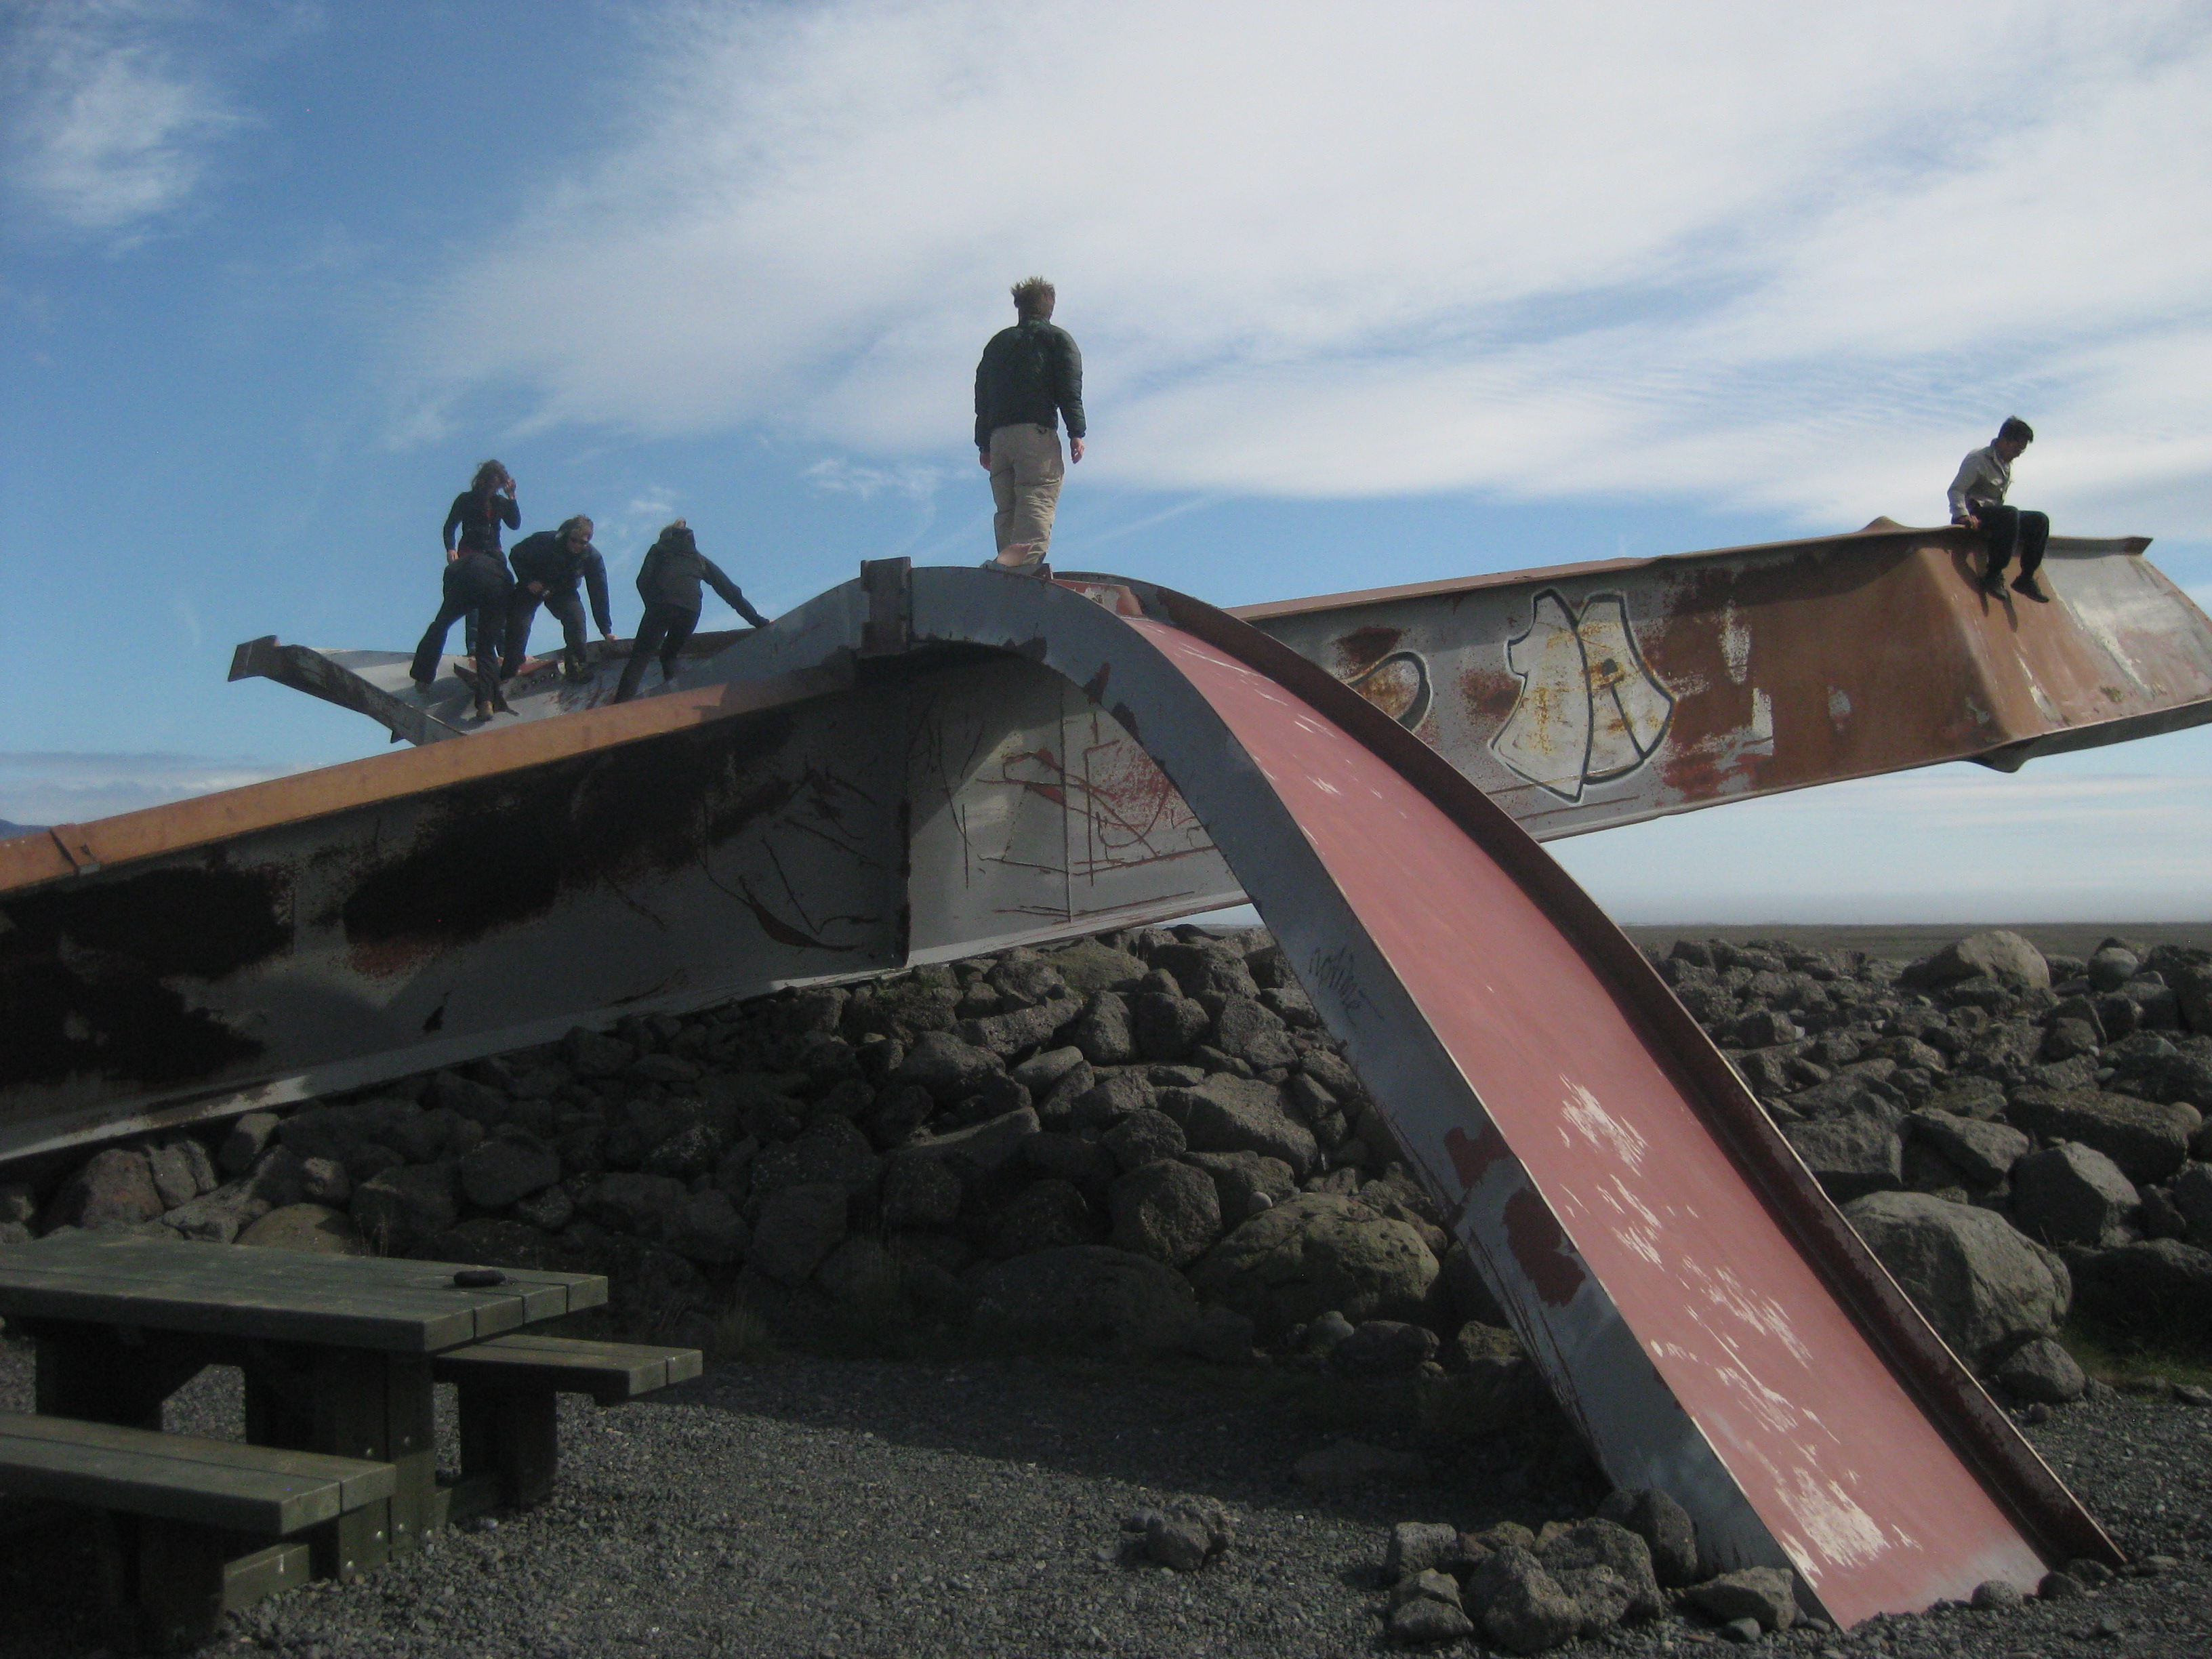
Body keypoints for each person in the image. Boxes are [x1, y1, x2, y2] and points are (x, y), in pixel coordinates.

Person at [973, 275, 1085, 575]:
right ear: (1050, 307)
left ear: (1018, 307)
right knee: (1036, 497)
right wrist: (1076, 432)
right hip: (1035, 433)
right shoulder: (1057, 340)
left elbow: (982, 395)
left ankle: (1005, 568)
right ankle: (1020, 569)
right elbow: (1069, 390)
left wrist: (984, 443)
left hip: (999, 437)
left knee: (1008, 509)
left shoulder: (998, 344)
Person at [611, 520, 770, 703]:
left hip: (661, 606)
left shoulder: (658, 550)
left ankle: (619, 707)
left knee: (641, 656)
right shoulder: (698, 559)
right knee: (670, 655)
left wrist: (653, 604)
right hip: (690, 611)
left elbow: (642, 581)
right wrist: (759, 621)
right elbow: (730, 592)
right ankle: (679, 703)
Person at [409, 540, 514, 720]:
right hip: (498, 589)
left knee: (440, 627)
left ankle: (423, 678)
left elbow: (448, 591)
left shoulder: (465, 562)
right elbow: (509, 611)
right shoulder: (505, 572)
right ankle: (486, 701)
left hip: (468, 582)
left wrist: (454, 608)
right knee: (486, 646)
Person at [1948, 417, 2050, 603]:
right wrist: (1962, 515)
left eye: (2021, 451)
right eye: (2017, 450)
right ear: (2004, 441)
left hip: (1998, 515)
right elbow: (1956, 490)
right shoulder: (1978, 459)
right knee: (2010, 514)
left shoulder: (2005, 463)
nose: (2018, 455)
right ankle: (1993, 575)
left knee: (2039, 521)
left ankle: (2026, 578)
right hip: (1975, 514)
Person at [502, 515, 613, 682]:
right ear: (567, 535)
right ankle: (509, 671)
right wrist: (528, 580)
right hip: (534, 583)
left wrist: (606, 630)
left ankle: (575, 667)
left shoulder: (592, 558)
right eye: (574, 540)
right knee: (519, 623)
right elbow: (516, 553)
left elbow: (599, 593)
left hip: (563, 590)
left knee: (576, 619)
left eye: (582, 542)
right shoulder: (544, 541)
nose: (577, 545)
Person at [443, 460, 522, 656]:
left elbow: (514, 524)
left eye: (498, 484)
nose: (493, 487)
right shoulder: (466, 499)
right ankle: (475, 646)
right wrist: (451, 549)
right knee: (474, 601)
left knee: (501, 600)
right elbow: (450, 526)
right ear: (483, 480)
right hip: (470, 554)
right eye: (491, 482)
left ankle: (503, 648)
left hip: (494, 555)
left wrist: (511, 497)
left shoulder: (500, 502)